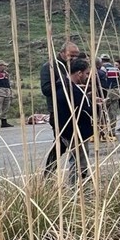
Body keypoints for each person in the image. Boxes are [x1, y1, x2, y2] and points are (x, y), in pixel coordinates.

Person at [40, 40, 81, 176]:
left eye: (77, 55)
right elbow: (46, 89)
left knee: (75, 144)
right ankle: (49, 173)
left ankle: (78, 175)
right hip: (58, 111)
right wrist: (65, 81)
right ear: (62, 53)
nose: (74, 58)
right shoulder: (50, 67)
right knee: (60, 144)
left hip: (76, 110)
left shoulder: (76, 67)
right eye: (71, 55)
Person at [54, 56, 95, 183]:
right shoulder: (68, 90)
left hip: (74, 132)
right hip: (76, 133)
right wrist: (95, 108)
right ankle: (77, 189)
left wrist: (88, 100)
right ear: (79, 73)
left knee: (78, 161)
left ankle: (79, 188)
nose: (88, 76)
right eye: (87, 73)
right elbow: (80, 111)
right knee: (79, 163)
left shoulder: (68, 87)